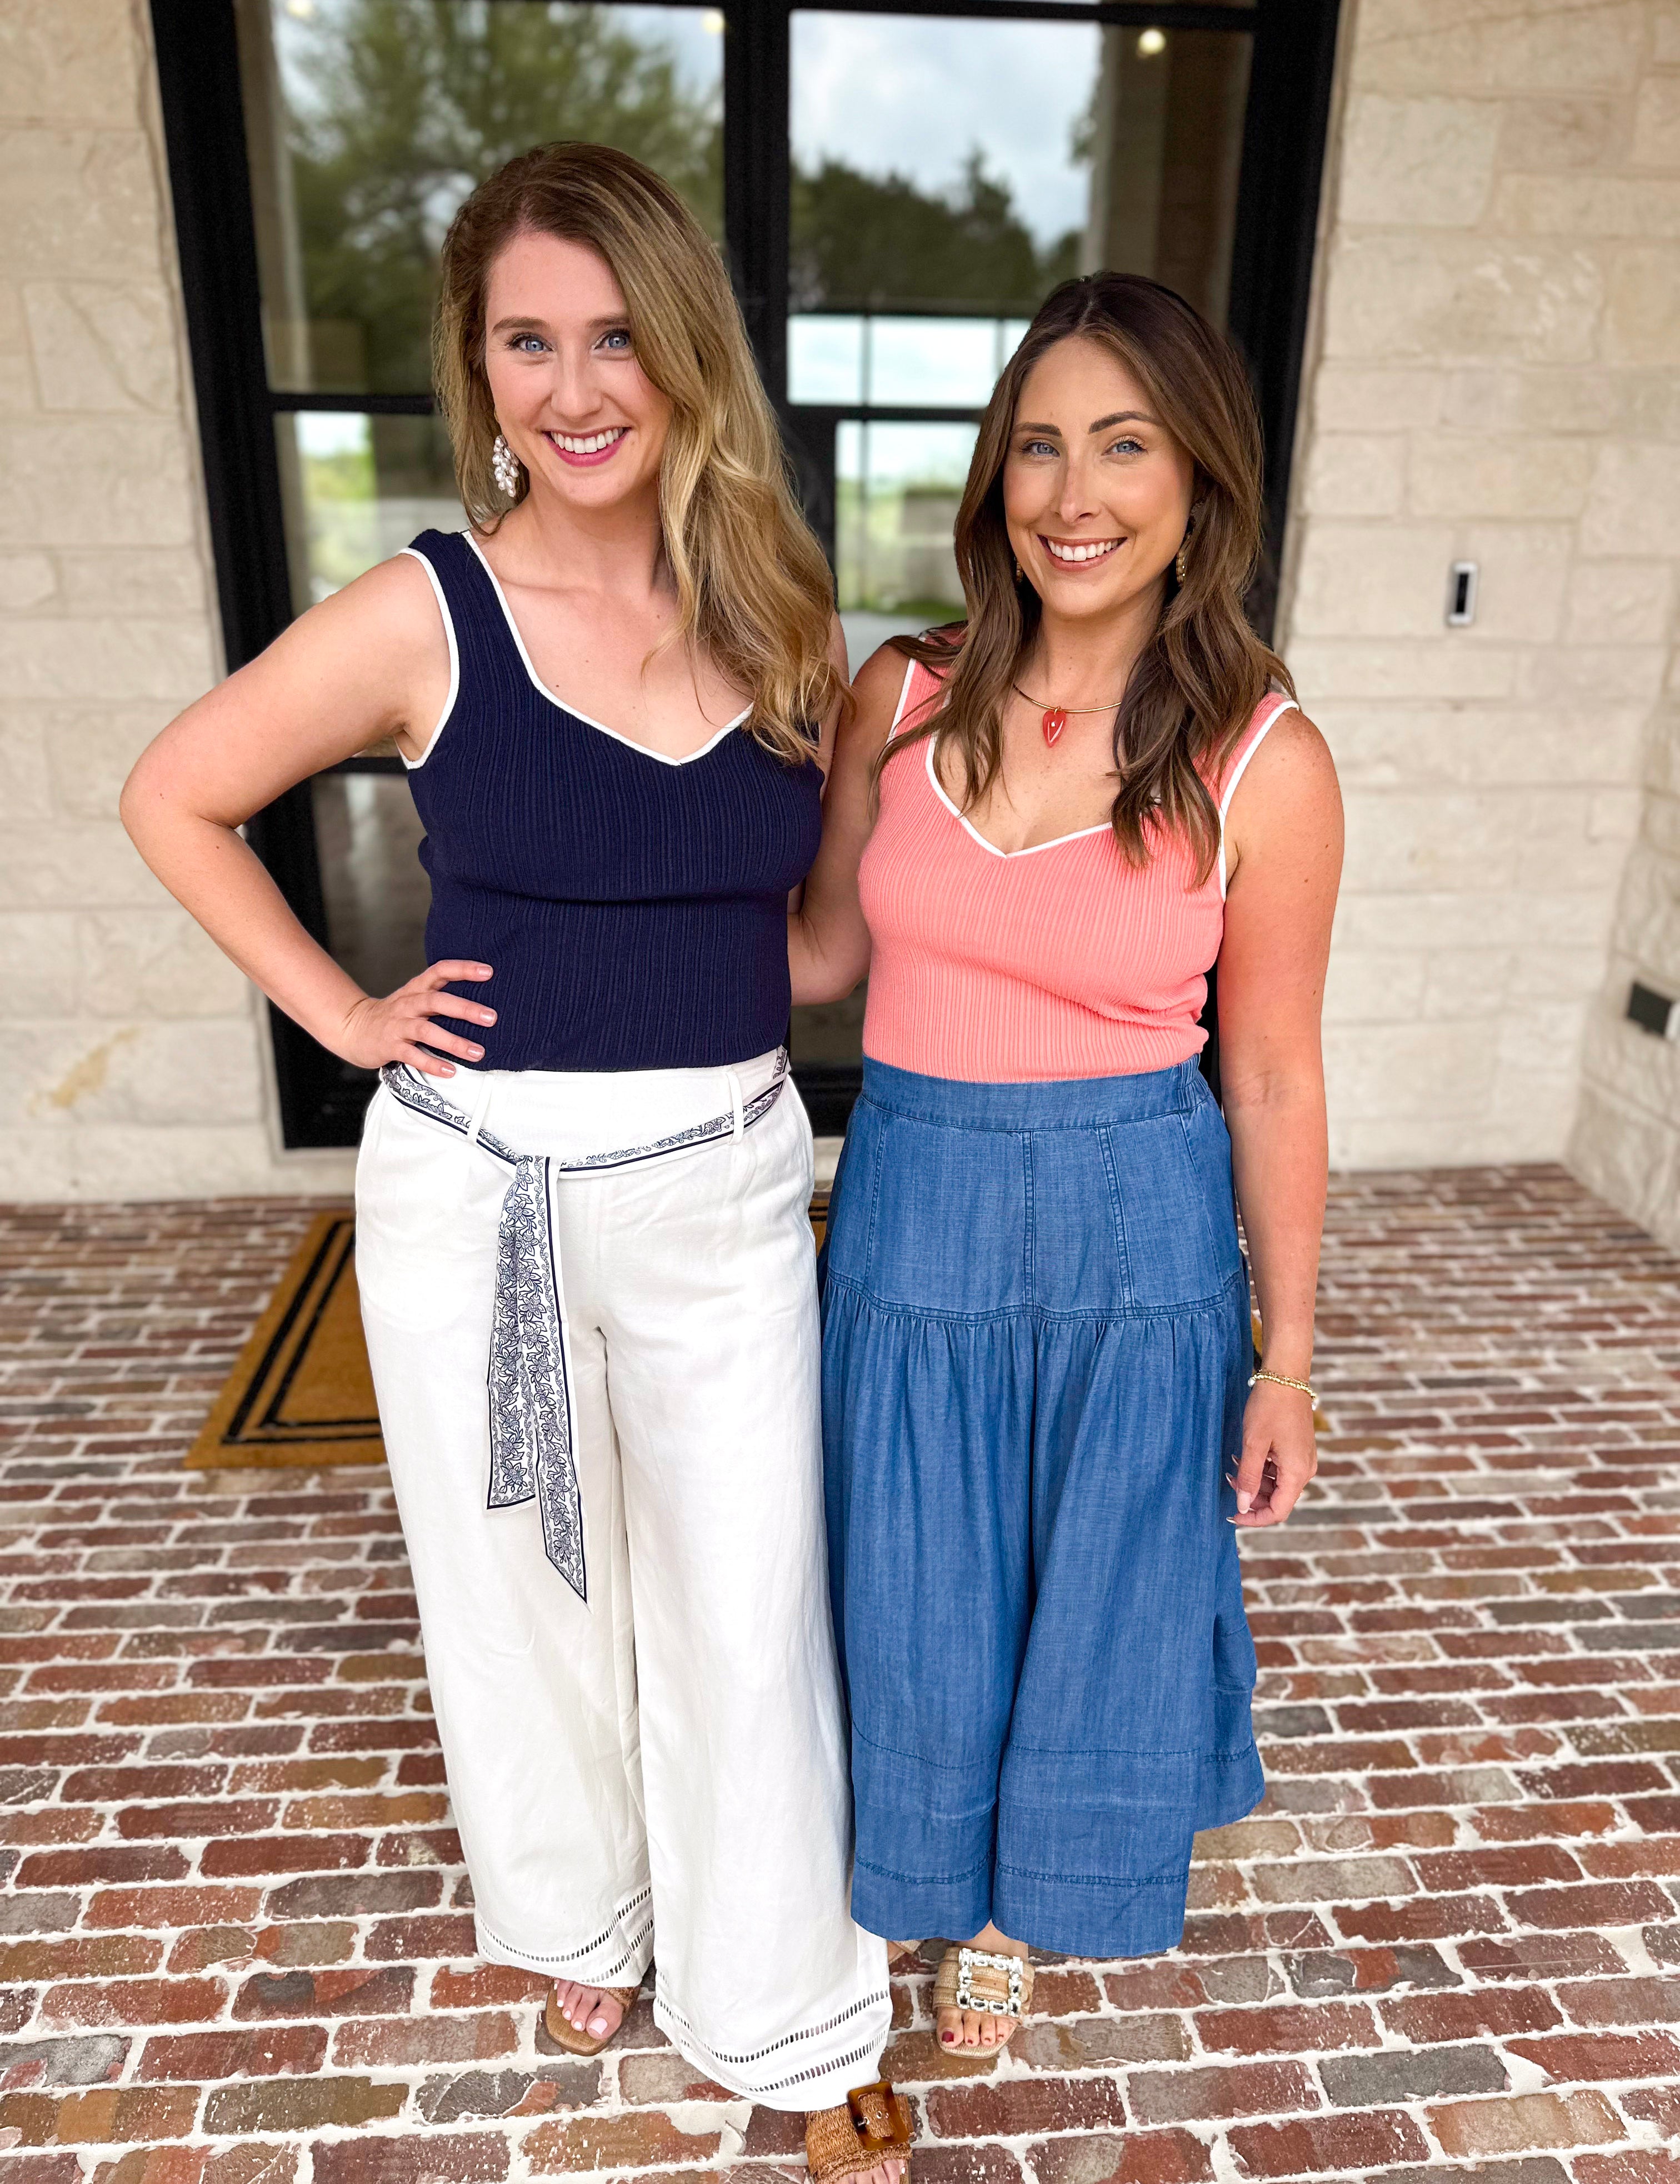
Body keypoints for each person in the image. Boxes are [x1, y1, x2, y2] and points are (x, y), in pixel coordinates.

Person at [122, 141, 909, 2184]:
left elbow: (807, 948)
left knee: (746, 1599)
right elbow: (177, 794)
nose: (578, 385)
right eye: (528, 339)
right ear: (480, 371)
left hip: (729, 1170)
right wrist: (348, 1014)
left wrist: (970, 858)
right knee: (523, 1592)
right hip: (483, 1178)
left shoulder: (782, 612)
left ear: (689, 357)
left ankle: (784, 2001)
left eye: (620, 334)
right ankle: (583, 1915)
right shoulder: (423, 610)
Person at [794, 272, 1343, 2057]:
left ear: (1201, 482)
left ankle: (1029, 1913)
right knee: (916, 1587)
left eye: (1125, 444)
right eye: (1037, 446)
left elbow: (1266, 1070)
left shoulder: (1268, 755)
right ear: (991, 478)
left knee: (1098, 1598)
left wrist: (1289, 1360)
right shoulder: (901, 692)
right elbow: (807, 958)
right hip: (913, 1215)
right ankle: (930, 1875)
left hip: (1137, 1240)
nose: (1073, 492)